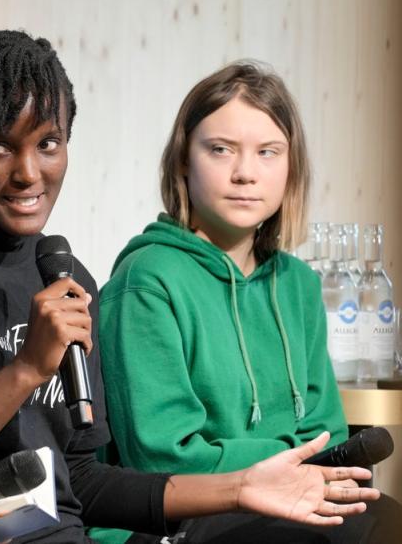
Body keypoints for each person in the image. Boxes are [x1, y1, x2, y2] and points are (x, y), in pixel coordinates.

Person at [0, 30, 379, 543]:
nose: (29, 173)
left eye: (48, 143)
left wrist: (241, 489)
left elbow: (82, 483)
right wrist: (26, 371)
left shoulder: (64, 274)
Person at [96, 61, 402, 542]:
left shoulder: (298, 283)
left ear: (290, 166)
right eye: (220, 150)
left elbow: (330, 434)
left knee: (386, 518)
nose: (245, 173)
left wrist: (303, 471)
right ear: (183, 160)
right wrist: (288, 463)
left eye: (268, 152)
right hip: (178, 516)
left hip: (293, 497)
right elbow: (163, 456)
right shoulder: (147, 278)